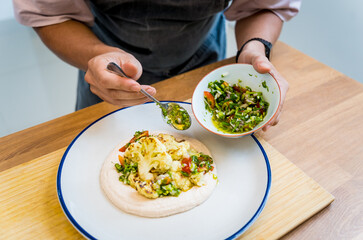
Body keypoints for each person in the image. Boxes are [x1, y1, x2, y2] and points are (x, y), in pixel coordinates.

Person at [13, 0, 301, 131]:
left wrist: (254, 47)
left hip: (202, 61)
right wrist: (97, 54)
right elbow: (49, 13)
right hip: (108, 74)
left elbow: (262, 5)